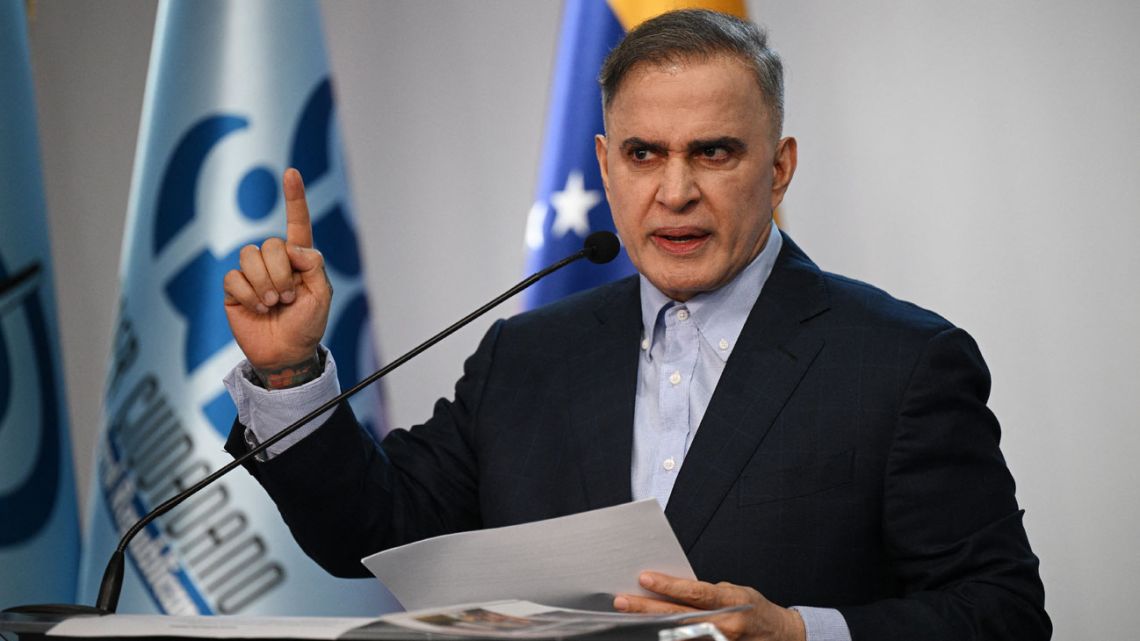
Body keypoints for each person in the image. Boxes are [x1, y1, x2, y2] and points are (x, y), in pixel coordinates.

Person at [221, 10, 1049, 641]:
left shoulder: (902, 361)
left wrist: (804, 631)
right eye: (645, 153)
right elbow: (370, 532)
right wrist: (289, 371)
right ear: (607, 163)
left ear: (780, 166)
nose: (676, 189)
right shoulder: (527, 353)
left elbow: (1003, 611)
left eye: (715, 152)